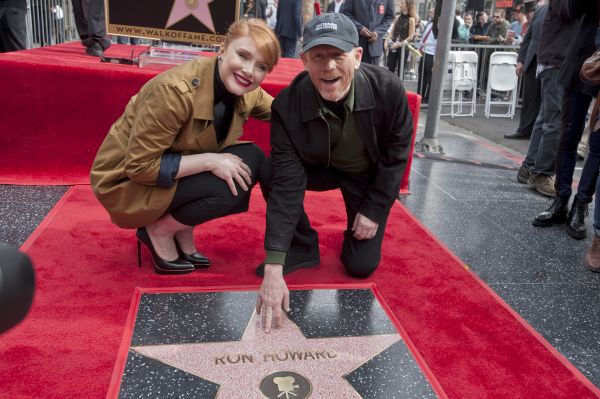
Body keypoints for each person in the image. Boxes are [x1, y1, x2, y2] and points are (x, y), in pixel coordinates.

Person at [255, 13, 414, 332]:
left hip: (363, 173)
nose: (328, 67)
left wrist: (372, 210)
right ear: (304, 61)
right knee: (270, 169)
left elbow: (396, 158)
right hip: (317, 165)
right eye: (318, 56)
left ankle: (356, 230)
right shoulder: (287, 105)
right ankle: (302, 245)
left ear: (356, 57)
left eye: (337, 56)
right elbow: (287, 183)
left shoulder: (389, 92)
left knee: (360, 266)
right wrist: (275, 264)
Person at [90, 19, 280, 274]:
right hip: (125, 181)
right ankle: (159, 230)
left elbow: (284, 112)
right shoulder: (172, 93)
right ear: (222, 50)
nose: (248, 71)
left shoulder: (246, 91)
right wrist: (211, 160)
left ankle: (181, 228)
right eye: (243, 55)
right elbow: (139, 166)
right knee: (227, 186)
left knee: (252, 159)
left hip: (169, 166)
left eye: (261, 66)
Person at [535, 0, 599, 238]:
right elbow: (572, 9)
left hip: (588, 54)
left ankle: (581, 206)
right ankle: (561, 199)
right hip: (583, 57)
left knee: (597, 144)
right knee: (569, 132)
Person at [504, 0, 544, 140]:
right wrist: (520, 60)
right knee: (529, 99)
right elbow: (528, 37)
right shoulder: (540, 12)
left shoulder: (556, 10)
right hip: (532, 60)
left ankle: (538, 133)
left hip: (550, 59)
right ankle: (524, 130)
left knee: (545, 101)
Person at [341, 0, 394, 65]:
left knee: (373, 74)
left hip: (375, 48)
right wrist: (359, 28)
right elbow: (346, 14)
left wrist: (378, 32)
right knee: (356, 74)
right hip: (356, 45)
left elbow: (389, 17)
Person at [385, 0, 416, 74]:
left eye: (402, 3)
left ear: (407, 6)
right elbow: (391, 33)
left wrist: (399, 44)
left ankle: (399, 85)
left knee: (401, 70)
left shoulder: (411, 20)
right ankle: (391, 85)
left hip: (403, 48)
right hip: (393, 45)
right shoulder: (397, 18)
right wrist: (386, 42)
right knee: (390, 69)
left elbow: (411, 37)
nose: (400, 5)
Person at [417, 7, 436, 104]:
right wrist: (418, 49)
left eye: (432, 12)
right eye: (430, 12)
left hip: (431, 54)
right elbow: (424, 37)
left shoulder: (438, 26)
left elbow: (438, 43)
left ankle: (427, 98)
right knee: (422, 76)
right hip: (424, 52)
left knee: (430, 78)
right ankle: (420, 95)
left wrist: (436, 61)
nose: (430, 13)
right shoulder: (429, 23)